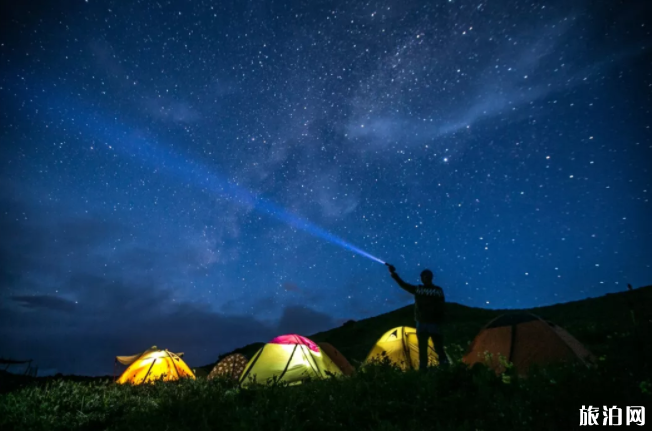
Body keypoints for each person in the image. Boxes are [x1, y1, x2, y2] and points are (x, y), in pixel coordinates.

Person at [386, 263, 449, 371]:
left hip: (427, 323)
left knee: (430, 348)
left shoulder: (422, 289)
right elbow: (442, 306)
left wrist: (393, 274)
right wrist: (393, 274)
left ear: (427, 278)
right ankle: (439, 368)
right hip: (428, 323)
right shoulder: (435, 290)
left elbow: (403, 285)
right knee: (433, 348)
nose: (424, 279)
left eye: (425, 277)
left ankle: (427, 369)